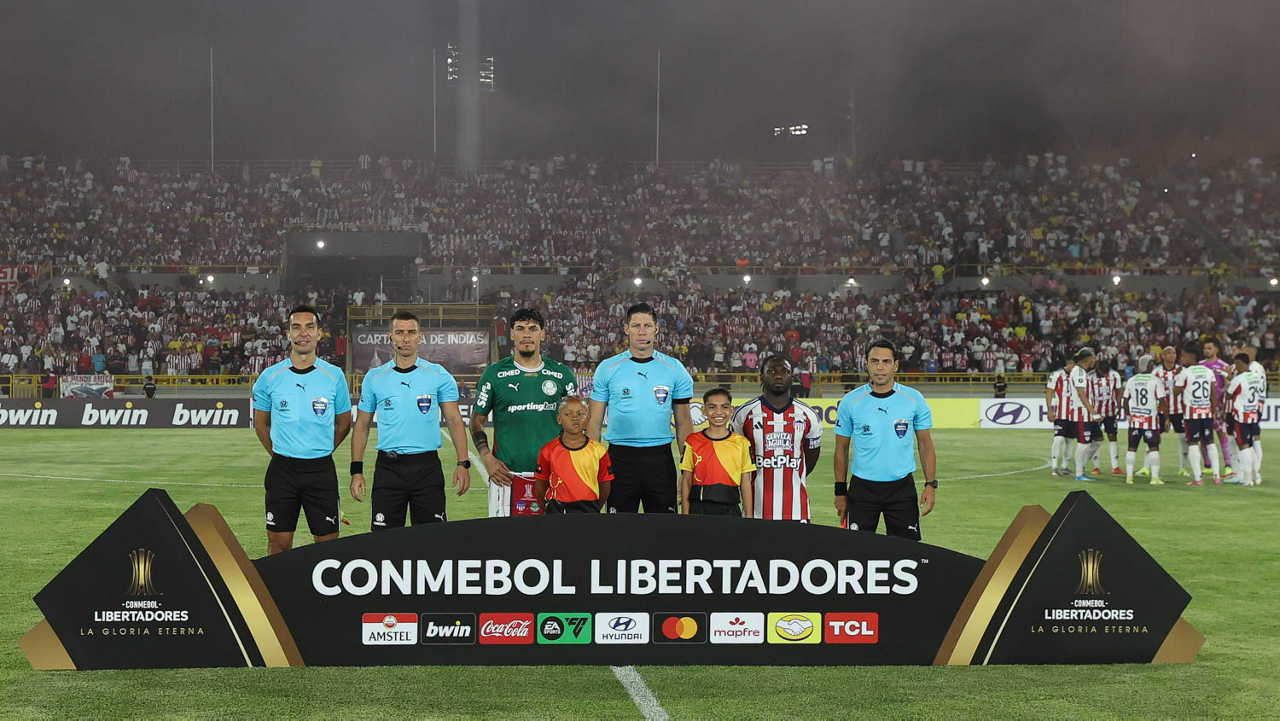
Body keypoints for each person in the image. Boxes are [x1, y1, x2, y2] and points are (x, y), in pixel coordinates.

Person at [349, 311, 471, 530]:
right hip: (389, 470)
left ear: (420, 336)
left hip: (427, 468)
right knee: (384, 543)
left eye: (411, 332)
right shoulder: (374, 378)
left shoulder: (438, 374)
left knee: (431, 543)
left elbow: (454, 420)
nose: (406, 338)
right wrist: (356, 471)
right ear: (390, 337)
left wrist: (463, 463)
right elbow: (361, 427)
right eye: (400, 332)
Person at [251, 305, 352, 555]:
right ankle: (277, 594)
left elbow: (344, 424)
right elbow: (261, 424)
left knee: (328, 547)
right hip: (282, 471)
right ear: (288, 334)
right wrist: (278, 454)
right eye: (296, 327)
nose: (303, 333)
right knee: (278, 544)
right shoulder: (270, 377)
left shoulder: (334, 376)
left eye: (310, 327)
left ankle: (324, 595)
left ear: (319, 333)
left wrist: (323, 448)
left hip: (321, 469)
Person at [587, 302, 693, 513]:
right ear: (626, 329)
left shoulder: (674, 369)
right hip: (620, 460)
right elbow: (594, 421)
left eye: (647, 326)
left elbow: (683, 422)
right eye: (636, 326)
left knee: (663, 531)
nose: (642, 331)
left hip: (660, 461)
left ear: (656, 329)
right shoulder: (608, 368)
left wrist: (687, 467)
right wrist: (591, 463)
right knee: (620, 531)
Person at [471, 308, 577, 517]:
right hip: (507, 478)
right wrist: (486, 457)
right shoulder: (494, 374)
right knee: (506, 547)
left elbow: (576, 425)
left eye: (533, 329)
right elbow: (476, 421)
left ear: (543, 334)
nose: (526, 334)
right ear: (511, 334)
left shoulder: (562, 375)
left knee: (554, 545)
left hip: (554, 476)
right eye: (520, 329)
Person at [832, 340, 936, 541]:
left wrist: (930, 485)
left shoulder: (914, 399)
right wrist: (840, 492)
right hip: (862, 489)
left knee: (906, 554)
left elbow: (925, 444)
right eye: (875, 361)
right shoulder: (850, 402)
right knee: (856, 554)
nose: (880, 367)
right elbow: (841, 450)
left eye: (886, 362)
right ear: (866, 363)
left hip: (901, 488)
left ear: (895, 365)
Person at [729, 355, 822, 521]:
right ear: (761, 376)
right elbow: (734, 457)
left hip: (797, 510)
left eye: (784, 371)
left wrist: (790, 474)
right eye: (771, 371)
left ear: (792, 377)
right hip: (756, 510)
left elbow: (811, 458)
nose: (778, 375)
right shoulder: (744, 414)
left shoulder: (808, 415)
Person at [681, 387, 756, 516]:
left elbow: (745, 483)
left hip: (730, 509)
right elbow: (686, 480)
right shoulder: (693, 441)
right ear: (704, 410)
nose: (718, 412)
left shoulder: (742, 443)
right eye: (712, 407)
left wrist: (749, 517)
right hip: (699, 508)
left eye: (724, 407)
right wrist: (685, 515)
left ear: (732, 410)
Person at [534, 396, 613, 513]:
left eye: (581, 414)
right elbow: (541, 485)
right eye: (568, 414)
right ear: (559, 419)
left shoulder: (598, 451)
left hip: (588, 511)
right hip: (556, 510)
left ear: (588, 419)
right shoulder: (548, 450)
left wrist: (594, 507)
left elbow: (605, 486)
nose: (575, 417)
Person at [1174, 343, 1222, 486]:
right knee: (1210, 442)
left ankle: (1198, 478)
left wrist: (1178, 378)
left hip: (1192, 414)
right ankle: (1217, 476)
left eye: (1184, 356)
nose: (1182, 359)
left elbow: (1176, 392)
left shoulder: (1185, 373)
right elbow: (1214, 395)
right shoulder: (1208, 372)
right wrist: (1213, 412)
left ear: (1190, 357)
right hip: (1206, 412)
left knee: (1193, 443)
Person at [1145, 346, 1189, 477]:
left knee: (1183, 439)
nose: (1172, 355)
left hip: (1179, 410)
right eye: (1169, 353)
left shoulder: (1183, 371)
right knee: (1153, 439)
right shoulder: (1156, 372)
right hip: (1160, 411)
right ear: (1163, 356)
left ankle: (1183, 468)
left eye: (1174, 353)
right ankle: (1146, 467)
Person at [1122, 356, 1167, 485]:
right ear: (1149, 365)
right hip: (1150, 421)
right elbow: (1162, 401)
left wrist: (1129, 415)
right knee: (1153, 447)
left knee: (1131, 448)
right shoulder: (1155, 381)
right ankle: (1154, 478)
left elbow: (1125, 401)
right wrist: (1167, 418)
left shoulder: (1131, 380)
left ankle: (1129, 477)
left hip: (1135, 420)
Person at [1225, 353, 1264, 486]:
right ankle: (1256, 475)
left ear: (1240, 363)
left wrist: (1228, 380)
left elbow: (1229, 395)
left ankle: (1247, 478)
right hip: (1253, 414)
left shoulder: (1238, 379)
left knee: (1243, 446)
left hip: (1241, 416)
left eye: (1236, 364)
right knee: (1251, 445)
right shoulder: (1256, 376)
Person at [1200, 337, 1234, 478]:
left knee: (1221, 434)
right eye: (1205, 348)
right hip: (1203, 404)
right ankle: (1207, 465)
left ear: (1216, 349)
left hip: (1218, 405)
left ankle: (1227, 465)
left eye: (1209, 348)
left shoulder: (1223, 365)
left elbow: (1228, 386)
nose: (1207, 351)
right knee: (1203, 435)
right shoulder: (1200, 365)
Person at [1067, 348, 1102, 482]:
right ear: (1086, 359)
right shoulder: (1079, 372)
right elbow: (1081, 394)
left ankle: (1080, 462)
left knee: (1098, 440)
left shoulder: (1082, 372)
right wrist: (1093, 412)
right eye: (1093, 358)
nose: (1095, 360)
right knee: (1083, 443)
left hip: (1087, 413)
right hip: (1082, 412)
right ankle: (1079, 473)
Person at [1089, 359, 1124, 476]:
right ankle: (1096, 467)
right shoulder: (1090, 377)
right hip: (1095, 412)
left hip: (1110, 411)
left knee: (1112, 436)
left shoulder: (1115, 375)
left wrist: (1118, 406)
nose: (1105, 374)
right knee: (1095, 439)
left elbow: (1119, 390)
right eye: (1102, 372)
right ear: (1097, 369)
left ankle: (1115, 466)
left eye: (1106, 372)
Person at [1046, 356, 1077, 477]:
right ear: (1070, 363)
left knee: (1069, 441)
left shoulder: (1077, 375)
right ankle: (1054, 466)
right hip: (1060, 414)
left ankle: (1065, 467)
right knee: (1058, 439)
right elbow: (1049, 392)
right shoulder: (1057, 374)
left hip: (1073, 414)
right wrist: (1050, 410)